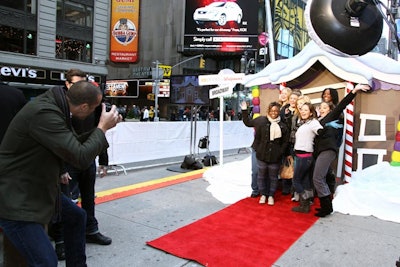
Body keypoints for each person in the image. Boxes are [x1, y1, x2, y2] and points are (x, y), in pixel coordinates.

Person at [0, 80, 120, 266]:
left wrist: (102, 129)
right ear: (83, 106)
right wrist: (101, 128)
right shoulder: (45, 113)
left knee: (76, 217)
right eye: (95, 109)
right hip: (16, 196)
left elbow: (71, 144)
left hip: (35, 185)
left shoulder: (56, 106)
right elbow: (79, 156)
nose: (95, 114)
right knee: (46, 262)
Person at [313, 84, 371, 217]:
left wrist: (354, 91)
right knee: (323, 176)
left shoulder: (332, 117)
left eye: (325, 107)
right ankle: (326, 206)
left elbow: (343, 104)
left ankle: (326, 207)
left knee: (317, 177)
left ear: (330, 109)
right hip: (319, 151)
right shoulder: (317, 120)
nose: (322, 109)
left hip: (328, 150)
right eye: (320, 107)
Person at [241, 101, 290, 206]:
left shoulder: (282, 125)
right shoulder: (261, 120)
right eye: (272, 110)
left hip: (275, 155)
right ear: (268, 110)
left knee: (273, 176)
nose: (274, 112)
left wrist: (280, 151)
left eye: (276, 111)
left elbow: (285, 140)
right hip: (261, 153)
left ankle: (271, 195)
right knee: (260, 175)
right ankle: (263, 194)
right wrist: (244, 110)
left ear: (279, 112)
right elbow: (248, 123)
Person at [291, 102, 322, 213]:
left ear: (311, 112)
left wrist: (324, 132)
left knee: (296, 180)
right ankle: (306, 204)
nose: (303, 112)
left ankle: (304, 202)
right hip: (302, 156)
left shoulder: (313, 123)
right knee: (304, 181)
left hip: (304, 156)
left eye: (306, 110)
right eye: (302, 110)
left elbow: (320, 131)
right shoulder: (305, 123)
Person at [280, 89, 302, 195]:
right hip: (285, 141)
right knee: (286, 162)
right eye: (291, 98)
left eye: (295, 99)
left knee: (295, 164)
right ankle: (285, 186)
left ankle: (294, 188)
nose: (293, 100)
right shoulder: (283, 110)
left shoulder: (299, 111)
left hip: (296, 141)